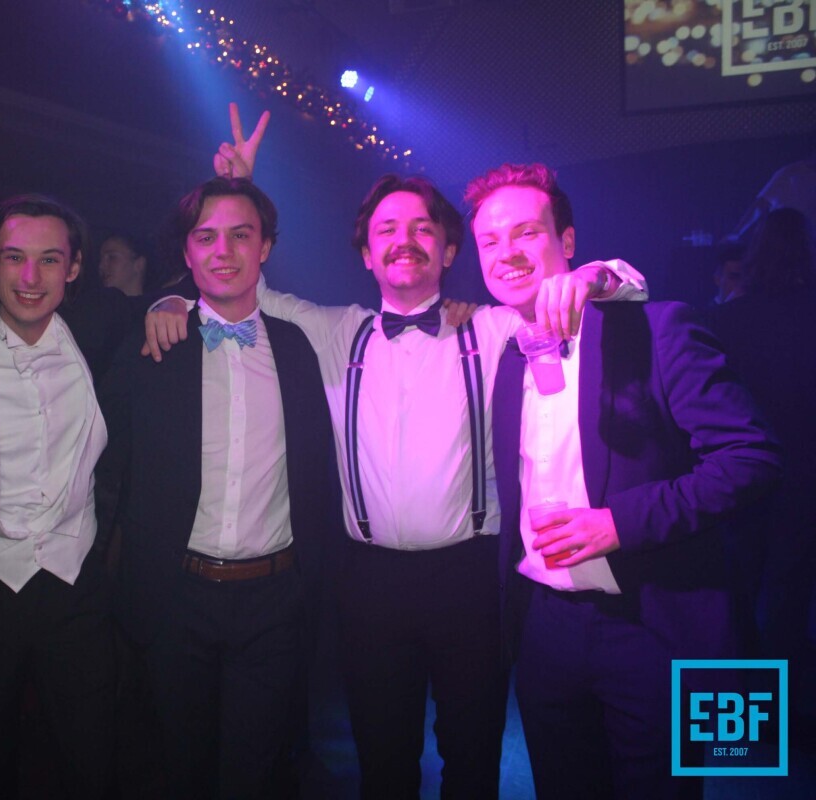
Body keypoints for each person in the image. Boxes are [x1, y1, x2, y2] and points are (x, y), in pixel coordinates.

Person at [145, 104, 647, 798]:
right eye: (386, 230)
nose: (403, 240)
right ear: (366, 253)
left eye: (421, 229)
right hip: (368, 583)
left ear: (448, 251)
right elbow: (232, 285)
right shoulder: (332, 330)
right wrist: (180, 282)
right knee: (382, 763)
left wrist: (592, 277)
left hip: (472, 579)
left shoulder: (496, 327)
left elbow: (620, 289)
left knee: (473, 761)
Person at [470, 162, 782, 799]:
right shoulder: (508, 360)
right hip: (545, 630)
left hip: (654, 626)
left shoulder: (657, 328)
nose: (507, 253)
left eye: (526, 232)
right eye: (490, 241)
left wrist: (620, 523)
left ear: (568, 242)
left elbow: (751, 457)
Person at [98, 176, 337, 798]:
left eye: (241, 235)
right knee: (179, 774)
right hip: (174, 600)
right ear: (187, 252)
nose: (223, 251)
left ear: (266, 248)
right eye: (205, 237)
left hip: (274, 603)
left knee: (256, 778)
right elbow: (104, 463)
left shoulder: (300, 347)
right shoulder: (152, 342)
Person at [0, 194, 126, 797]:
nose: (31, 277)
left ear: (75, 267)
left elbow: (188, 301)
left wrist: (168, 302)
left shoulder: (103, 335)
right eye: (14, 257)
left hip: (76, 588)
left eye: (49, 259)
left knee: (93, 762)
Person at [709, 206, 816, 737]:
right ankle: (792, 724)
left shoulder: (731, 318)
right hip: (804, 476)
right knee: (791, 602)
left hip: (743, 476)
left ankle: (744, 729)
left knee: (738, 598)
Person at [98, 232, 149, 296]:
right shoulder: (93, 301)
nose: (101, 266)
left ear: (139, 264)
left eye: (112, 257)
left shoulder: (157, 302)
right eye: (100, 259)